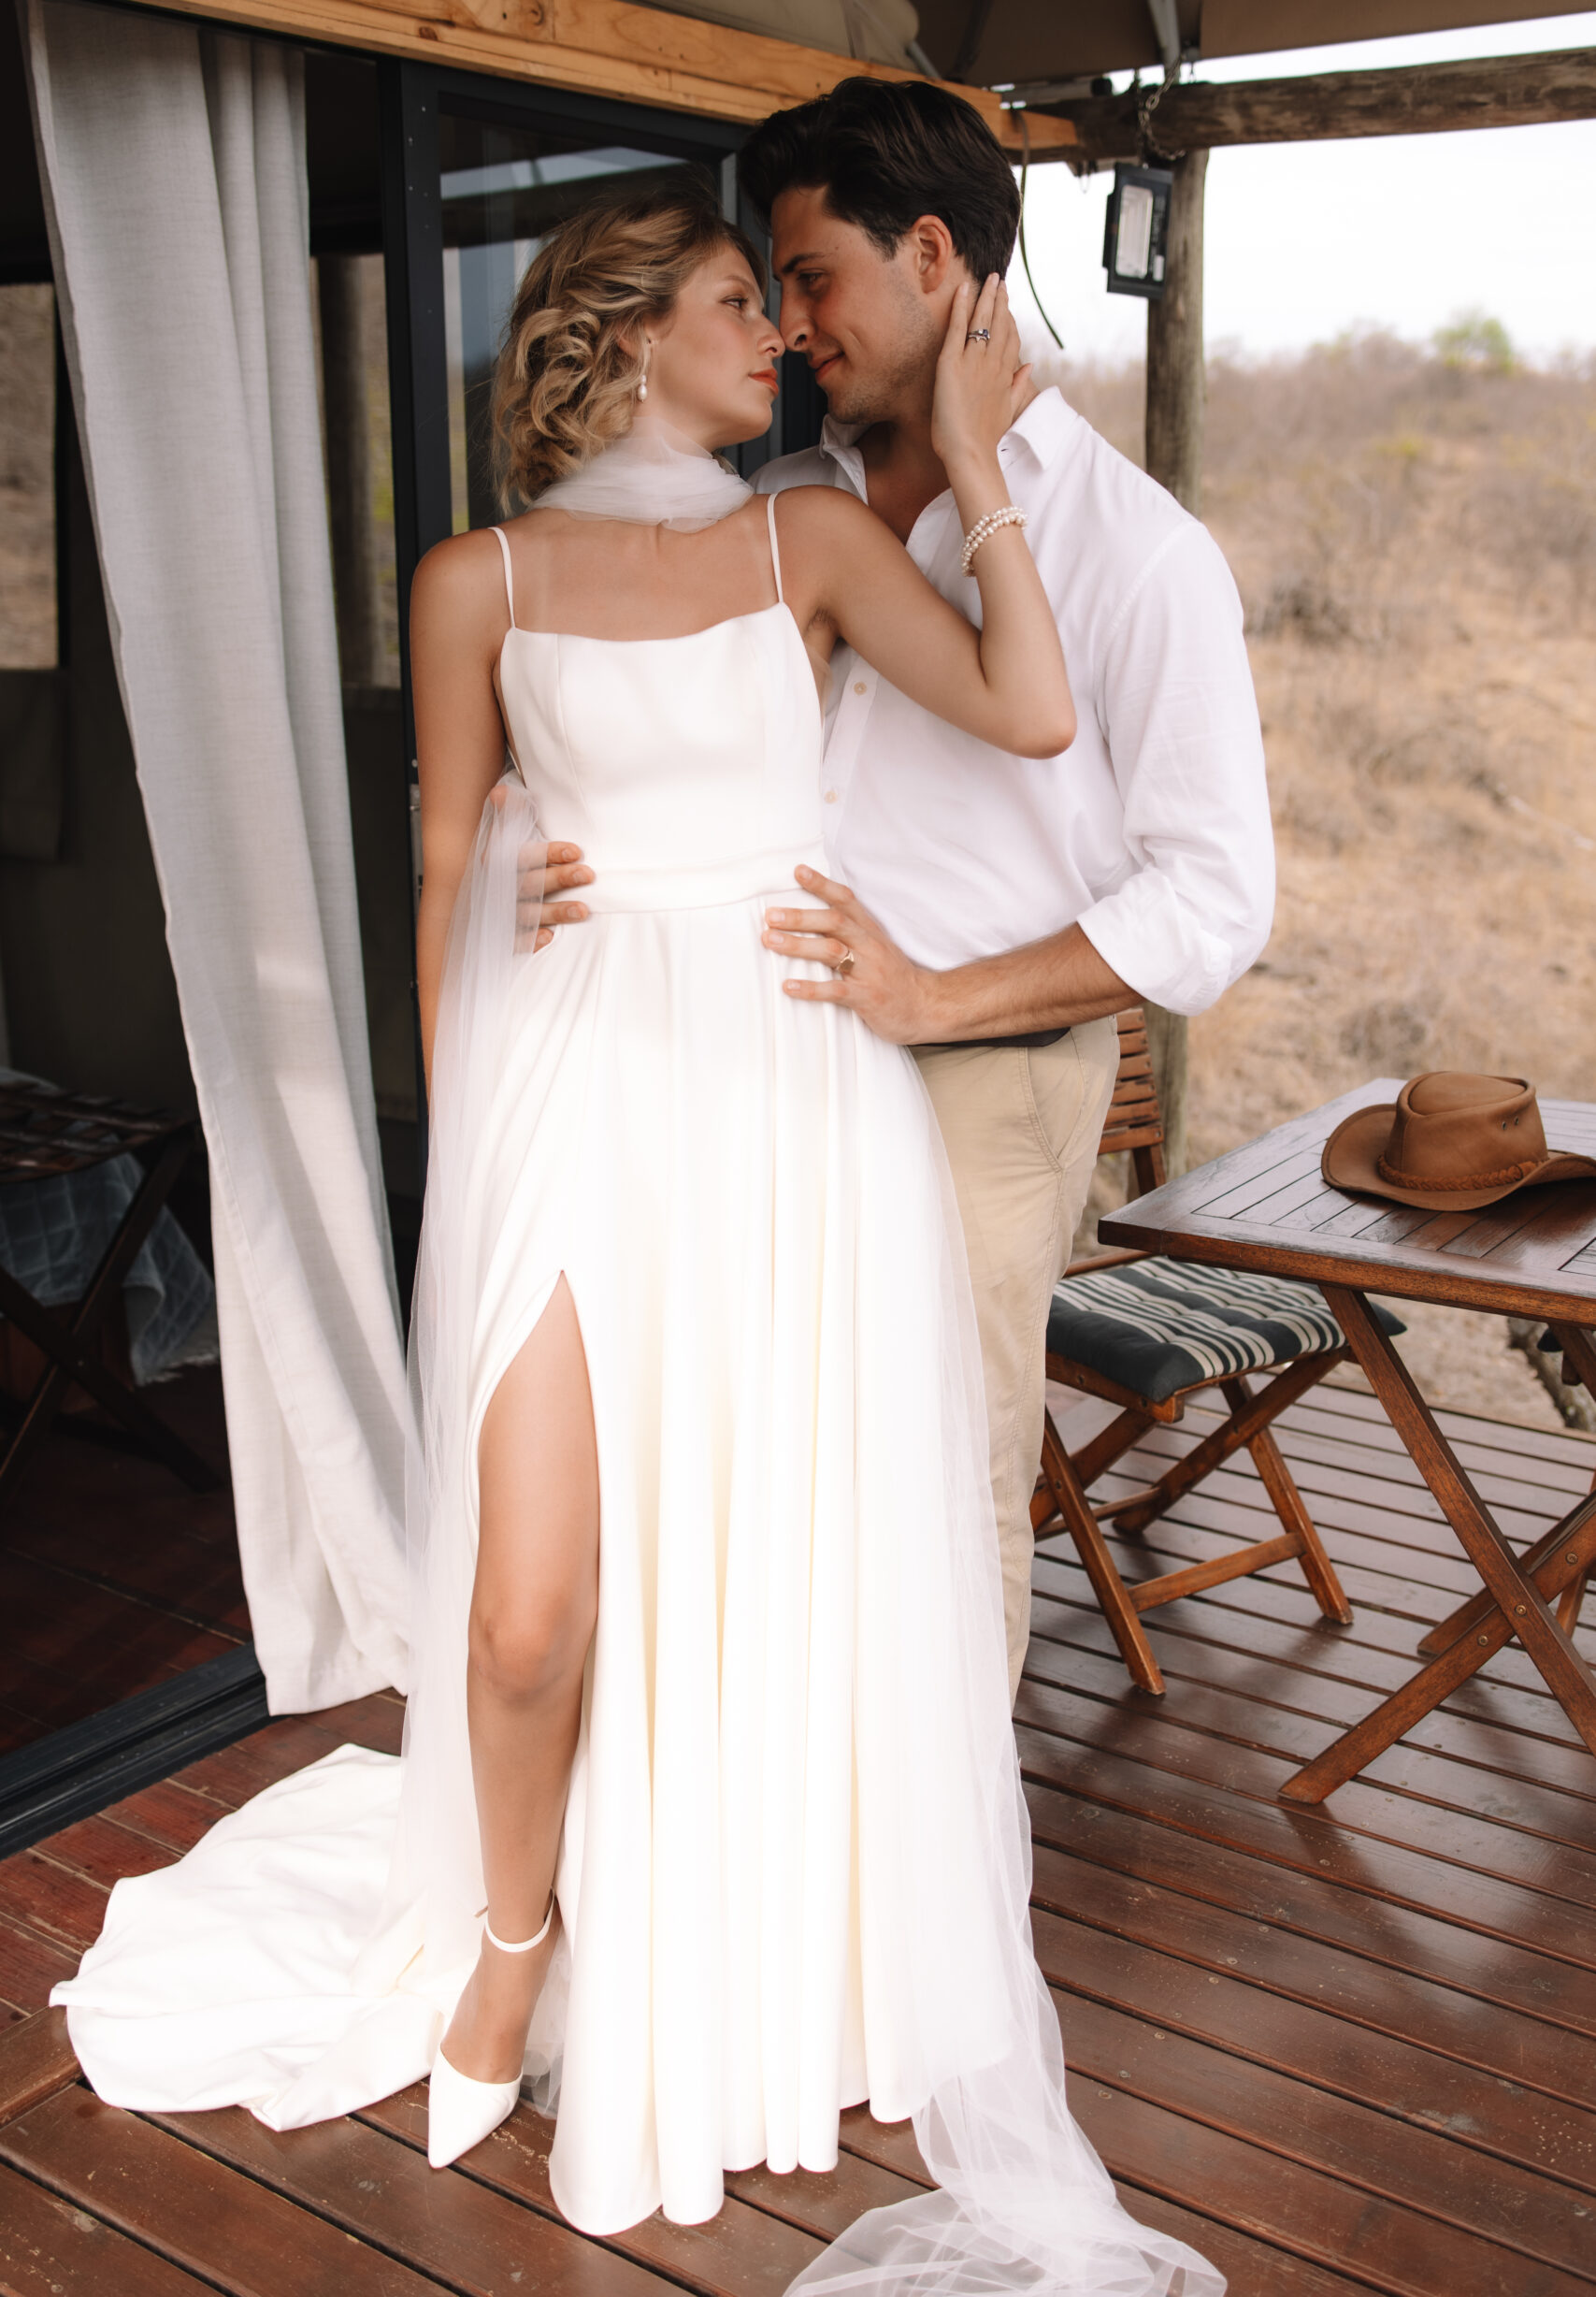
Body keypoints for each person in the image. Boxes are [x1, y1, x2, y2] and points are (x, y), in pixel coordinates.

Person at [50, 180, 1220, 2297]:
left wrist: (977, 475)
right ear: (611, 334)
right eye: (725, 300)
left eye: (775, 302)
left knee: (767, 1552)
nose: (772, 334)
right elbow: (436, 866)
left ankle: (750, 1939)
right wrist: (474, 1085)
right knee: (523, 1611)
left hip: (786, 1094)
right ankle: (506, 1940)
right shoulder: (473, 574)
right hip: (571, 1090)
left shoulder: (814, 542)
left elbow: (1035, 717)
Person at [537, 83, 1275, 1700]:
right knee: (741, 1482)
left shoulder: (1137, 557)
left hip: (971, 1089)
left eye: (809, 279)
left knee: (931, 1512)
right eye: (770, 291)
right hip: (737, 1073)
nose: (791, 326)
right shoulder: (768, 503)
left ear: (933, 256)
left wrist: (937, 997)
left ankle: (916, 1936)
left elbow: (1215, 900)